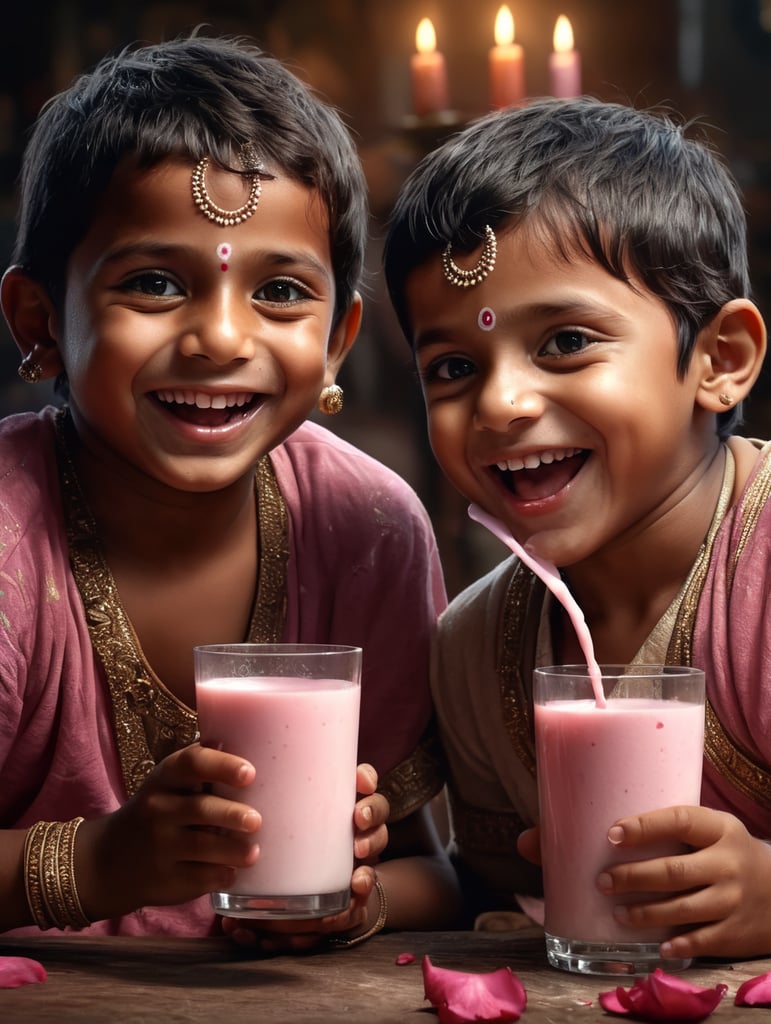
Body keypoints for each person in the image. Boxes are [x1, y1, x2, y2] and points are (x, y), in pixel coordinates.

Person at [0, 33, 460, 947]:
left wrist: (355, 902)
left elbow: (430, 871)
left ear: (337, 339)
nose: (220, 338)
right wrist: (101, 863)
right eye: (155, 283)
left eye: (282, 291)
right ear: (41, 320)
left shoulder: (366, 526)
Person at [383, 95, 771, 959]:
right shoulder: (474, 647)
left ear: (719, 360)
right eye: (452, 367)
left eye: (563, 342)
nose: (499, 404)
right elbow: (494, 891)